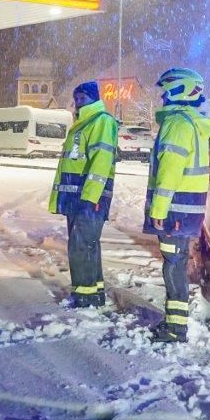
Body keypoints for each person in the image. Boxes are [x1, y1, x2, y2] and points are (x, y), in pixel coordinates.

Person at [144, 67, 210, 342]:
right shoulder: (194, 123)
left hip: (174, 208)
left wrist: (158, 211)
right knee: (176, 263)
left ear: (179, 90)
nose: (162, 96)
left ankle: (175, 328)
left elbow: (169, 173)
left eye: (166, 90)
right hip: (189, 208)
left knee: (173, 266)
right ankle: (176, 323)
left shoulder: (176, 125)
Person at [49, 81, 119, 307]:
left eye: (83, 98)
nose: (78, 102)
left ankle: (85, 297)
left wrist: (91, 197)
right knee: (86, 244)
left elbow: (100, 162)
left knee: (81, 245)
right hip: (77, 197)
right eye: (76, 98)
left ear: (94, 98)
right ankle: (93, 292)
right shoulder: (82, 123)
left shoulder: (101, 121)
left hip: (89, 198)